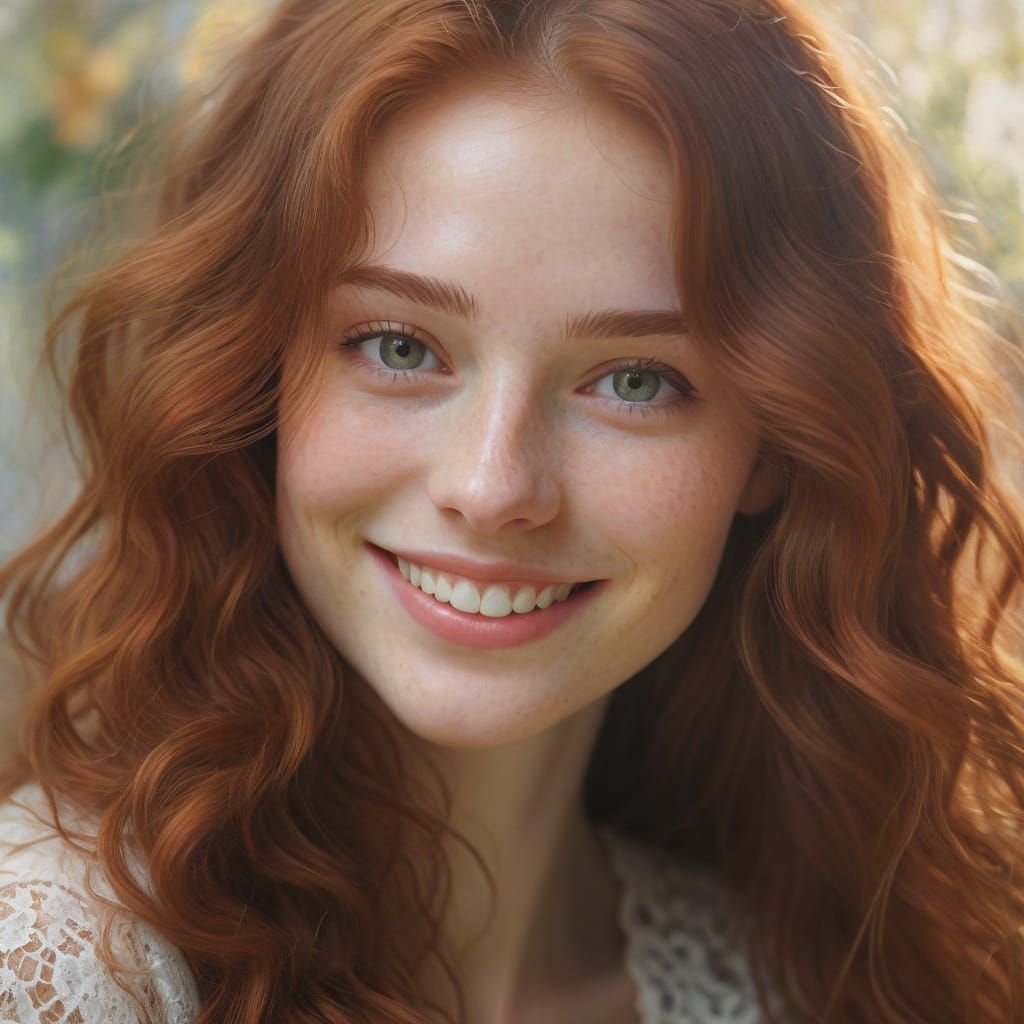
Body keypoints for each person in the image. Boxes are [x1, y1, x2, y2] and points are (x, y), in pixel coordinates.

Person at [1, 0, 1022, 1021]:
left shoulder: (795, 982)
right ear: (249, 373)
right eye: (399, 346)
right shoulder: (60, 966)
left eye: (632, 380)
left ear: (778, 444)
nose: (492, 489)